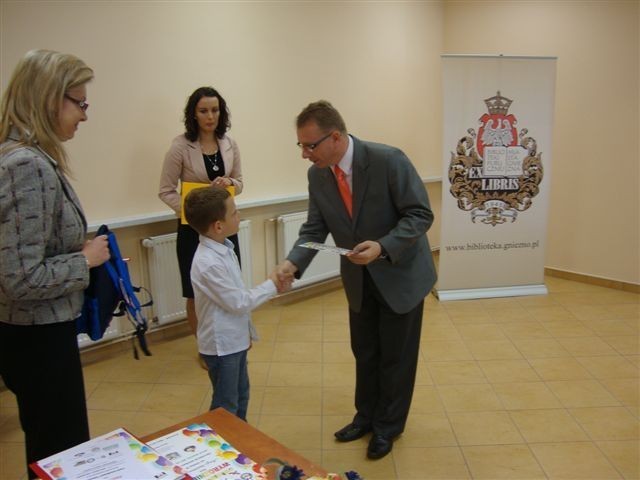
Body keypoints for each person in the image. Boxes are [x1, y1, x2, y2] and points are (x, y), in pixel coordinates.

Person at [277, 100, 437, 459]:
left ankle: (388, 427)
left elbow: (420, 214)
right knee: (365, 353)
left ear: (335, 137)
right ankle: (365, 417)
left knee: (396, 358)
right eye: (300, 145)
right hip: (359, 281)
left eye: (309, 145)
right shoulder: (318, 175)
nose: (304, 154)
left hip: (401, 276)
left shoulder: (388, 160)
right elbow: (315, 227)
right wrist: (293, 262)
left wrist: (382, 246)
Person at [0, 49, 110, 479]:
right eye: (79, 104)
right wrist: (85, 260)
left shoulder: (20, 155)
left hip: (32, 335)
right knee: (59, 455)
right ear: (50, 100)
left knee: (50, 449)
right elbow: (19, 277)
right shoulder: (26, 164)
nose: (84, 116)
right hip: (37, 339)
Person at [184, 186, 290, 420]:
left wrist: (245, 336)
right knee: (225, 405)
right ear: (218, 226)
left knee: (241, 395)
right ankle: (222, 447)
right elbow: (239, 302)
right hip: (222, 348)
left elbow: (235, 299)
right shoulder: (208, 263)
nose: (238, 215)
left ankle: (240, 444)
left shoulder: (224, 249)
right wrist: (273, 284)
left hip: (233, 342)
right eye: (234, 212)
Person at [159, 86, 243, 341]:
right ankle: (205, 347)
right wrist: (193, 209)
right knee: (195, 293)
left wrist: (229, 184)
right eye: (204, 110)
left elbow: (240, 183)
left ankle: (231, 340)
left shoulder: (229, 144)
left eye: (215, 110)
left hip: (224, 229)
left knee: (229, 286)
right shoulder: (180, 146)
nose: (210, 116)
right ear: (193, 114)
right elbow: (165, 191)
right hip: (192, 230)